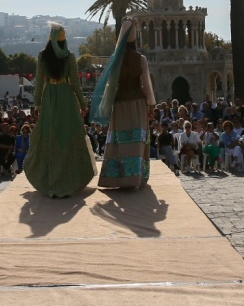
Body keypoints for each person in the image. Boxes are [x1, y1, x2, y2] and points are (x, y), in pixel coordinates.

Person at [24, 22, 95, 198]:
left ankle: (49, 180)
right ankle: (69, 180)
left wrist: (37, 104)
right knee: (68, 135)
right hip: (66, 98)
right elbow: (76, 84)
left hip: (49, 99)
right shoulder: (69, 56)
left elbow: (39, 82)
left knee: (50, 135)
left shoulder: (42, 56)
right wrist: (83, 103)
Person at [92, 19, 156, 189]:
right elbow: (146, 85)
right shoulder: (140, 59)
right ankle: (134, 178)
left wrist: (105, 106)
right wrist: (151, 104)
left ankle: (118, 178)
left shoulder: (115, 59)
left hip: (119, 104)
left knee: (120, 141)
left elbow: (110, 85)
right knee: (137, 140)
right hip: (137, 104)